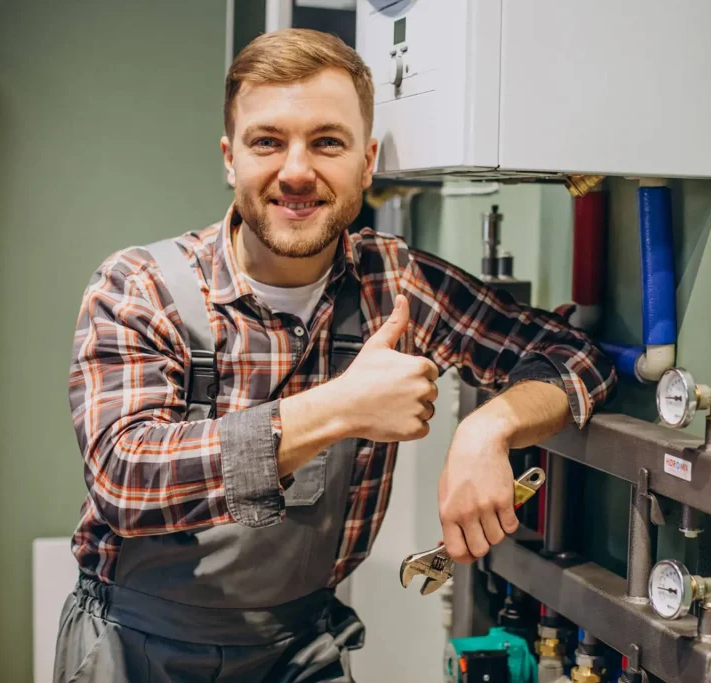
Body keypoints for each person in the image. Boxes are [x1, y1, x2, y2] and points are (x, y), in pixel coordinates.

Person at [53, 27, 616, 683]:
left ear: (367, 161)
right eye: (267, 141)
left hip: (298, 649)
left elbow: (575, 355)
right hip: (135, 646)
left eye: (327, 142)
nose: (296, 170)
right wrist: (342, 406)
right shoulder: (140, 287)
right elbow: (127, 478)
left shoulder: (393, 285)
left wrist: (488, 426)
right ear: (230, 158)